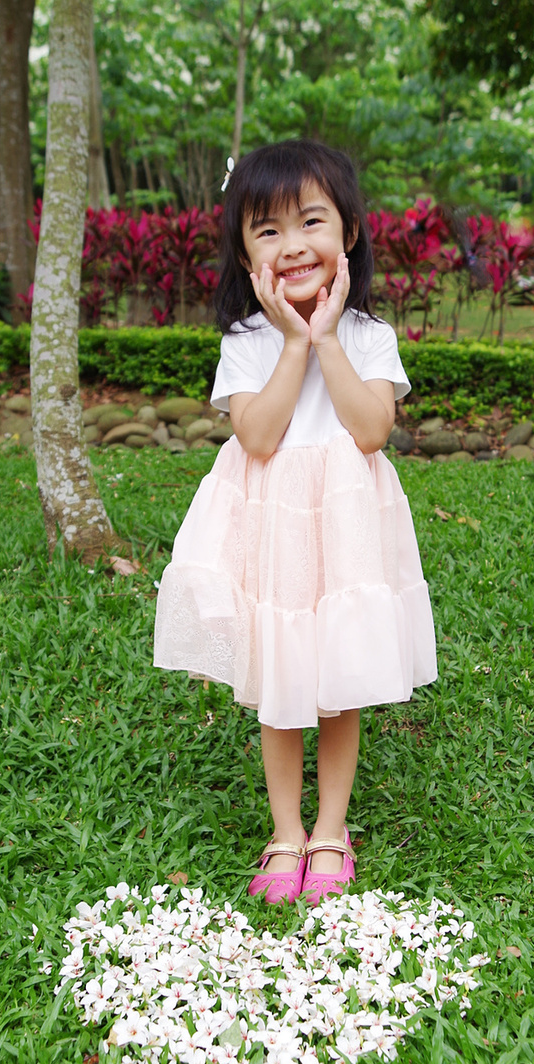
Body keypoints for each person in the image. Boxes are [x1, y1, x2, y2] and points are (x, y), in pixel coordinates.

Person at [154, 140, 437, 905]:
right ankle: (285, 831)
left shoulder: (369, 336)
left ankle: (331, 831)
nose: (291, 245)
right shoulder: (246, 344)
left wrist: (326, 340)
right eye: (266, 230)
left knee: (338, 684)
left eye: (309, 221)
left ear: (347, 234)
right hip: (274, 530)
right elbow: (259, 436)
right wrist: (289, 342)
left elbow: (370, 429)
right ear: (244, 255)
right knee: (277, 674)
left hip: (343, 529)